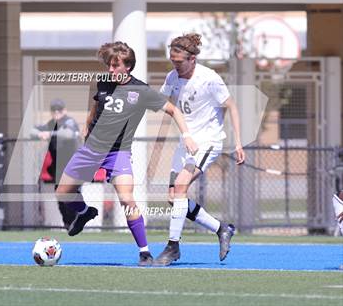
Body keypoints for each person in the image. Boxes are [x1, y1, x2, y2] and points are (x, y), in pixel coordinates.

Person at [55, 41, 198, 266]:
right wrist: (87, 124)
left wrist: (187, 135)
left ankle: (144, 252)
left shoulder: (141, 90)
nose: (110, 70)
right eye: (109, 65)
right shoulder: (102, 82)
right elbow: (96, 106)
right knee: (63, 192)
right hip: (91, 148)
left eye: (115, 65)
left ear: (127, 66)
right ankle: (84, 212)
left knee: (126, 199)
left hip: (118, 152)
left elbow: (173, 110)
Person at [153, 33, 245, 266]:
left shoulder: (209, 78)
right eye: (173, 62)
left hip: (207, 141)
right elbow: (166, 104)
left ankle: (173, 247)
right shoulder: (172, 77)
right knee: (174, 198)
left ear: (192, 59)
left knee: (181, 186)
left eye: (180, 62)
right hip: (186, 143)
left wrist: (238, 142)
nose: (176, 66)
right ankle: (221, 229)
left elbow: (232, 106)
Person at [31, 99, 80, 229]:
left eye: (59, 110)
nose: (56, 113)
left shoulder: (69, 121)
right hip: (59, 168)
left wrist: (50, 133)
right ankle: (69, 223)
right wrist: (40, 133)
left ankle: (76, 221)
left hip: (72, 167)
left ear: (64, 110)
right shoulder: (51, 123)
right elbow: (32, 130)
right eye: (54, 110)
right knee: (61, 197)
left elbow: (68, 134)